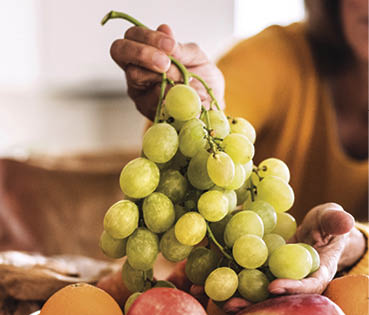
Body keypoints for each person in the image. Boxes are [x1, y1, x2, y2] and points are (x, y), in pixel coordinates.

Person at [108, 0, 368, 298]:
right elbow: (178, 164)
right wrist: (192, 115)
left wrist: (356, 245)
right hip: (211, 302)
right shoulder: (273, 58)